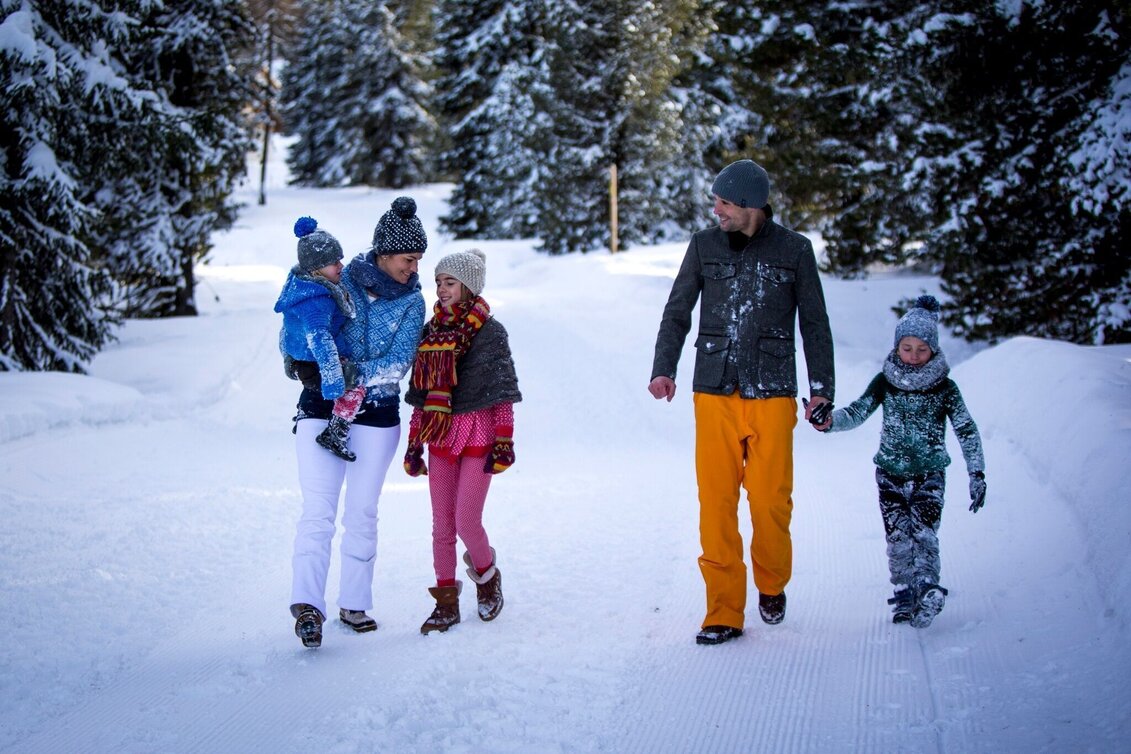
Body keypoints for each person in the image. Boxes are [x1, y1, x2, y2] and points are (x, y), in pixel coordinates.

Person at [648, 159, 835, 646]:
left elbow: (814, 322)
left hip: (772, 391)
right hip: (714, 388)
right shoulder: (704, 246)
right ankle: (723, 611)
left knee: (771, 500)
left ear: (751, 204)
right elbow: (677, 309)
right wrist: (663, 367)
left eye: (725, 202)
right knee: (716, 504)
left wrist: (822, 388)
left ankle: (771, 583)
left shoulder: (795, 250)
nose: (717, 210)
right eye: (716, 202)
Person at [287, 196, 427, 648]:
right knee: (317, 511)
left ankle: (354, 602)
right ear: (384, 253)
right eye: (409, 259)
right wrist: (296, 362)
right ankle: (307, 606)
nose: (414, 268)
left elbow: (398, 362)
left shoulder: (412, 301)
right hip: (319, 408)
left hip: (377, 414)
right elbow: (298, 326)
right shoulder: (338, 276)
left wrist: (350, 374)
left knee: (362, 511)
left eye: (418, 260)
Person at [814, 294, 985, 628]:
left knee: (924, 534)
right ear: (896, 347)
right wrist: (829, 421)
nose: (914, 356)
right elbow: (858, 411)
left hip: (929, 474)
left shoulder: (945, 388)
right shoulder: (885, 382)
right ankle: (906, 593)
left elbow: (966, 428)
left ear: (934, 350)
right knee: (897, 538)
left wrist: (976, 472)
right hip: (889, 474)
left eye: (922, 349)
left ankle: (927, 589)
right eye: (907, 348)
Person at [402, 249, 521, 635]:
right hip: (440, 437)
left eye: (449, 282)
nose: (441, 289)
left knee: (467, 519)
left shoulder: (491, 333)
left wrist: (505, 441)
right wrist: (413, 443)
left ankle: (486, 576)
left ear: (468, 286)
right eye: (438, 282)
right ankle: (445, 602)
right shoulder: (430, 331)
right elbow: (422, 394)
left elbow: (502, 394)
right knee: (441, 525)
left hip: (478, 437)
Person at [275, 216, 366, 463]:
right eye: (333, 262)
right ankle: (335, 432)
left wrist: (287, 355)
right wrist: (335, 379)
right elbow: (320, 339)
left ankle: (305, 416)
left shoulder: (300, 286)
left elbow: (286, 329)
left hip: (303, 360)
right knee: (355, 384)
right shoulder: (316, 302)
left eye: (340, 259)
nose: (341, 266)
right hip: (315, 363)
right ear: (316, 269)